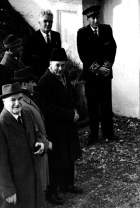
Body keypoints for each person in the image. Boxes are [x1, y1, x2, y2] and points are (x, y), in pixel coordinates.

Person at [0, 82, 45, 208]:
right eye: (12, 100)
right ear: (4, 101)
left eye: (20, 99)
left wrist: (40, 142)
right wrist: (8, 191)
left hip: (32, 180)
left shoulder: (26, 114)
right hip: (16, 187)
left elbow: (36, 133)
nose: (17, 103)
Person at [37, 48, 83, 201]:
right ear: (50, 64)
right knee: (55, 160)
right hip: (55, 128)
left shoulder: (65, 77)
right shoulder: (44, 82)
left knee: (69, 156)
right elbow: (48, 108)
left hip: (68, 125)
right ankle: (52, 192)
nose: (60, 68)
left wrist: (76, 109)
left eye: (63, 65)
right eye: (57, 65)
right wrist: (70, 115)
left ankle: (67, 184)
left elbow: (73, 95)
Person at [77, 5, 118, 145]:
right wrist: (97, 69)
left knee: (106, 105)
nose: (95, 20)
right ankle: (93, 135)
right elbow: (83, 55)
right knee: (93, 106)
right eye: (92, 18)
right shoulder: (82, 33)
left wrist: (106, 66)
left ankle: (108, 133)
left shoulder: (106, 29)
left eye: (97, 17)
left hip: (105, 74)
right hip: (92, 76)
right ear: (87, 19)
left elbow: (112, 48)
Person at [13, 67, 54, 205]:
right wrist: (46, 143)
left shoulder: (28, 100)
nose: (35, 85)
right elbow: (31, 130)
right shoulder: (23, 105)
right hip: (36, 150)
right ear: (24, 85)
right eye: (32, 82)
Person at [23, 10, 62, 80]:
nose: (48, 24)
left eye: (50, 21)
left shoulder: (56, 36)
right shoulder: (31, 39)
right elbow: (26, 60)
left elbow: (58, 56)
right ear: (39, 23)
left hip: (54, 75)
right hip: (39, 77)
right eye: (45, 21)